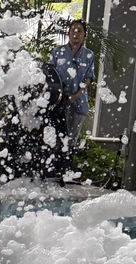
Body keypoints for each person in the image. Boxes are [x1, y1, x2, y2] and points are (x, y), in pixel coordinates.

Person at [49, 21, 95, 166]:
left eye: (79, 31)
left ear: (84, 35)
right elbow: (49, 74)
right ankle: (52, 169)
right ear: (68, 33)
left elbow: (88, 78)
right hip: (58, 102)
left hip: (78, 102)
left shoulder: (89, 55)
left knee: (70, 140)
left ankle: (65, 169)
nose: (76, 33)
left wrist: (76, 95)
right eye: (73, 30)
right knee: (55, 138)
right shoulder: (57, 52)